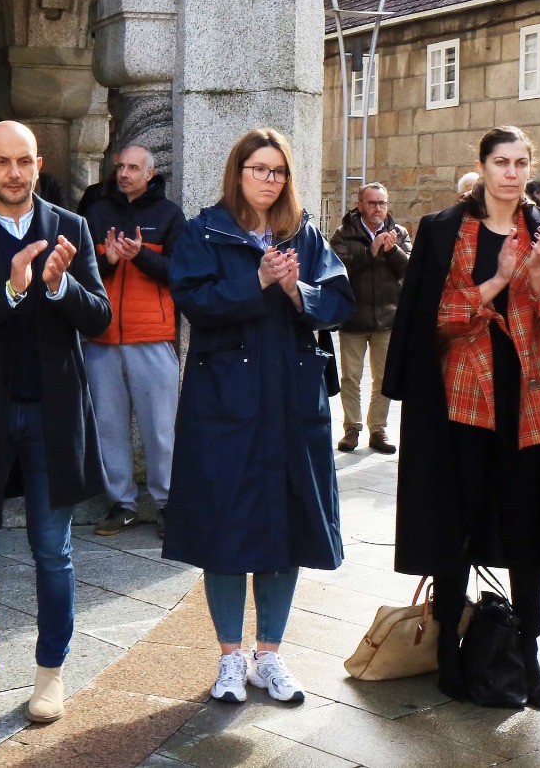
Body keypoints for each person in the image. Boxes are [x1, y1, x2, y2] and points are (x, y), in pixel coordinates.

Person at [384, 126, 540, 708]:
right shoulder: (441, 229)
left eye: (520, 162)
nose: (511, 172)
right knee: (458, 525)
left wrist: (536, 276)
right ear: (481, 166)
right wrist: (501, 278)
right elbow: (436, 319)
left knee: (527, 528)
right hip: (462, 402)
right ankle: (451, 656)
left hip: (533, 403)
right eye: (501, 162)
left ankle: (527, 652)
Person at [162, 129, 354, 706]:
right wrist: (258, 280)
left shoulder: (305, 235)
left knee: (284, 528)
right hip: (225, 407)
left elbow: (340, 300)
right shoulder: (204, 231)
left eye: (278, 171)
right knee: (225, 530)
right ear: (237, 172)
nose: (269, 180)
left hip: (292, 407)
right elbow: (194, 301)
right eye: (258, 169)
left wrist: (298, 292)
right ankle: (229, 659)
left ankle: (269, 656)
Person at [0, 120, 111, 729]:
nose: (14, 173)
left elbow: (99, 317)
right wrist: (10, 293)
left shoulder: (72, 227)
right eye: (2, 162)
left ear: (39, 165)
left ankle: (50, 675)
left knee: (53, 553)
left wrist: (59, 286)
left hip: (53, 414)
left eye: (25, 161)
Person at [80, 145, 184, 537]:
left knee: (160, 429)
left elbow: (179, 274)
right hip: (102, 336)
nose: (123, 173)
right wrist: (108, 260)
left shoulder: (170, 216)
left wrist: (139, 256)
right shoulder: (97, 213)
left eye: (132, 167)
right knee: (108, 426)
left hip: (153, 337)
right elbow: (82, 273)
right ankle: (121, 503)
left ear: (150, 172)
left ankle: (168, 503)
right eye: (120, 166)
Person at [329, 182, 411, 453]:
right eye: (373, 203)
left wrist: (392, 251)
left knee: (384, 377)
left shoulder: (399, 233)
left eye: (382, 203)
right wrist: (370, 252)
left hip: (387, 318)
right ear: (360, 205)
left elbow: (410, 270)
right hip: (353, 317)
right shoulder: (343, 234)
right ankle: (352, 428)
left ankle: (378, 428)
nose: (378, 209)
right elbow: (337, 270)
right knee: (350, 377)